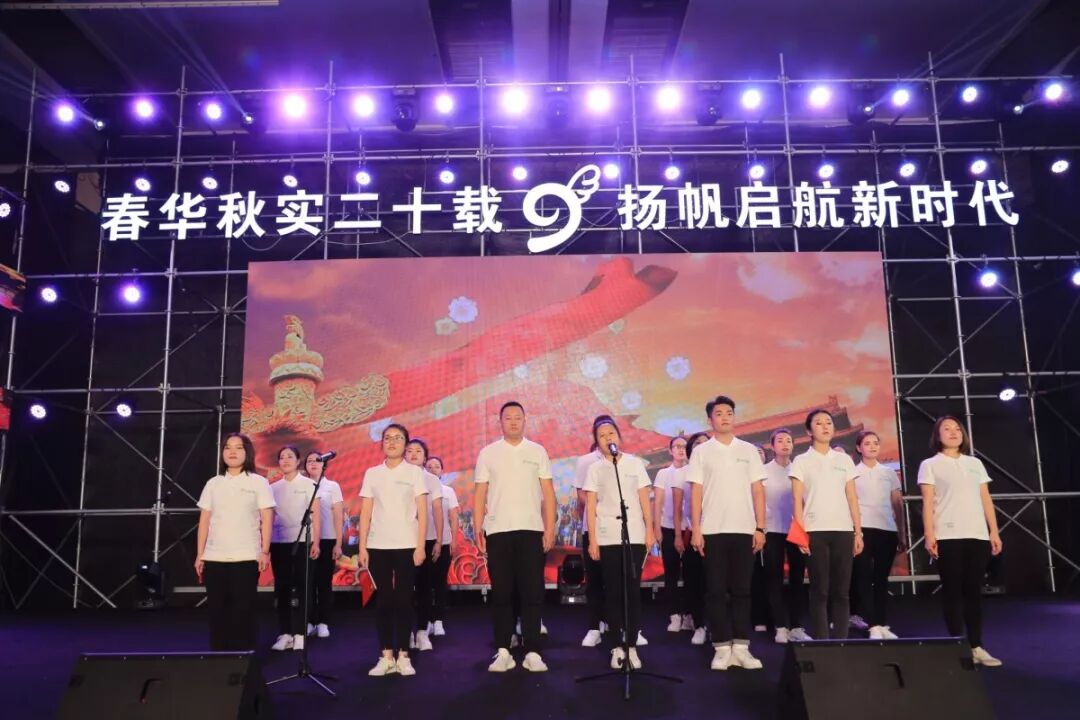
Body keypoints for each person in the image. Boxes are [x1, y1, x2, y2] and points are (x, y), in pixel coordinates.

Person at [473, 401, 556, 673]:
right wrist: (478, 528)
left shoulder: (537, 451)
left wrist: (549, 528)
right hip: (498, 531)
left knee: (532, 592)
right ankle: (503, 650)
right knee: (502, 593)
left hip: (531, 530)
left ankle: (533, 651)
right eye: (507, 418)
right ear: (500, 422)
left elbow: (548, 493)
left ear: (525, 420)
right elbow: (480, 494)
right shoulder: (488, 453)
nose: (513, 422)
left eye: (517, 417)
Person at [688, 396, 768, 671]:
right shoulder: (702, 452)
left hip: (744, 529)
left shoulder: (748, 450)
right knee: (715, 591)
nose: (725, 417)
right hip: (712, 530)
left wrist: (760, 527)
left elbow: (758, 490)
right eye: (719, 413)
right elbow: (696, 492)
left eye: (729, 413)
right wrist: (696, 529)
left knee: (742, 590)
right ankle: (722, 647)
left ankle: (742, 647)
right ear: (710, 419)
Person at [918, 416, 1004, 667]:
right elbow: (927, 503)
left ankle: (976, 646)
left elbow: (985, 498)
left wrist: (994, 531)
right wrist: (929, 535)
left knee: (973, 592)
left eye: (957, 428)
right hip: (947, 535)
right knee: (952, 591)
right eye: (947, 429)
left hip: (977, 534)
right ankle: (957, 644)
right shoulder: (930, 464)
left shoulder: (974, 463)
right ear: (937, 435)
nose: (953, 432)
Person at [359, 423, 429, 677]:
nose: (392, 442)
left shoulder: (414, 473)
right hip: (378, 545)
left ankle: (404, 656)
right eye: (387, 438)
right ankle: (386, 655)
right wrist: (363, 547)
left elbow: (423, 512)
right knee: (384, 600)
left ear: (405, 444)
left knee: (404, 599)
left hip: (407, 545)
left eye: (398, 438)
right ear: (381, 444)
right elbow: (365, 512)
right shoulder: (372, 473)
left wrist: (421, 546)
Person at [584, 416, 655, 670]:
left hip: (634, 534)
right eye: (602, 436)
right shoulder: (595, 469)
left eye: (611, 433)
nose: (607, 438)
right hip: (607, 536)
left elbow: (644, 499)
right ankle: (616, 646)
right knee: (613, 592)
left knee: (632, 592)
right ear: (597, 442)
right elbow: (591, 505)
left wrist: (649, 530)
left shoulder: (635, 464)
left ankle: (632, 645)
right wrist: (593, 539)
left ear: (619, 437)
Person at [195, 433, 275, 651]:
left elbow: (267, 518)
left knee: (243, 610)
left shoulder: (258, 482)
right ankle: (219, 658)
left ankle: (244, 658)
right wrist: (200, 554)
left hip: (246, 556)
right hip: (214, 557)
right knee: (217, 611)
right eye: (227, 448)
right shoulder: (213, 483)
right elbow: (204, 521)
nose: (232, 452)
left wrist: (264, 551)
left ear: (247, 452)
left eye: (238, 448)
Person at [790, 409, 863, 640]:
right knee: (819, 590)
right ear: (809, 431)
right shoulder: (801, 461)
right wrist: (800, 534)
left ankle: (841, 642)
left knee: (841, 591)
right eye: (819, 423)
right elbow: (796, 500)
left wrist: (858, 532)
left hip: (843, 530)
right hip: (814, 531)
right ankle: (822, 643)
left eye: (829, 422)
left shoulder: (844, 460)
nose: (825, 426)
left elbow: (852, 497)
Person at [851, 431, 905, 640]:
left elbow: (897, 503)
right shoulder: (853, 472)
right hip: (862, 529)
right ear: (859, 448)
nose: (872, 446)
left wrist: (901, 532)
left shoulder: (888, 472)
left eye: (875, 443)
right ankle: (873, 624)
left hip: (887, 529)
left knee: (881, 579)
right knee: (863, 577)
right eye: (867, 443)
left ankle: (882, 623)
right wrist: (855, 532)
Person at [268, 446, 321, 651]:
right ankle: (285, 633)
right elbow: (269, 517)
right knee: (282, 588)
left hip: (303, 542)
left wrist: (316, 542)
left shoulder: (309, 484)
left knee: (303, 587)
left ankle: (300, 632)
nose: (285, 460)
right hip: (279, 542)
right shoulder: (273, 487)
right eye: (282, 457)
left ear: (298, 461)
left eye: (290, 456)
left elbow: (316, 515)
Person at [762, 428, 810, 643]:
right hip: (772, 530)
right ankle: (780, 626)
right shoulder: (763, 471)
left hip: (796, 530)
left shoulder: (799, 469)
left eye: (788, 440)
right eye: (780, 440)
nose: (785, 444)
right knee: (774, 579)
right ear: (772, 446)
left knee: (797, 578)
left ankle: (797, 626)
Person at [404, 438, 444, 652]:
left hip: (427, 539)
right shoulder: (398, 476)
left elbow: (437, 510)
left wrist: (438, 539)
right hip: (403, 540)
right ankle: (406, 633)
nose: (413, 454)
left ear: (425, 457)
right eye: (409, 450)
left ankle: (422, 632)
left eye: (418, 451)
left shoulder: (431, 480)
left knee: (424, 587)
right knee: (404, 590)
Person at [304, 451, 344, 639]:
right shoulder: (302, 485)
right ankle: (310, 621)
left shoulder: (332, 486)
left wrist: (338, 543)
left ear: (324, 465)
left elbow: (338, 516)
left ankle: (323, 622)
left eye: (317, 460)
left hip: (327, 539)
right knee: (308, 583)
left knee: (323, 583)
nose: (313, 463)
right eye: (309, 461)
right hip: (307, 540)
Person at [654, 435, 690, 633]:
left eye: (684, 446)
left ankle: (690, 615)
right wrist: (656, 528)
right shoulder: (663, 474)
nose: (681, 449)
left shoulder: (693, 471)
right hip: (668, 528)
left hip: (690, 528)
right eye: (677, 446)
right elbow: (658, 502)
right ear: (670, 450)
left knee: (692, 575)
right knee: (671, 574)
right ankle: (675, 616)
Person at [574, 440, 606, 647]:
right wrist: (601, 505)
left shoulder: (625, 461)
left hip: (616, 531)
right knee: (594, 579)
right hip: (592, 528)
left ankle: (623, 626)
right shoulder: (585, 461)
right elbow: (581, 494)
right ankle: (594, 627)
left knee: (617, 580)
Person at [425, 455, 459, 637]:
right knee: (423, 583)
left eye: (436, 466)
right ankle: (426, 621)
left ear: (442, 471)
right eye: (429, 466)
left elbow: (454, 517)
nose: (432, 469)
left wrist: (453, 540)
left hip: (444, 541)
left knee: (440, 582)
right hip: (422, 542)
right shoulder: (419, 489)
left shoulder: (448, 491)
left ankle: (438, 621)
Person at [683, 431, 710, 645]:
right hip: (694, 533)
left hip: (718, 532)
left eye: (706, 442)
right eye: (697, 443)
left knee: (716, 584)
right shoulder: (685, 473)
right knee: (695, 582)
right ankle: (699, 625)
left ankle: (716, 626)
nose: (702, 446)